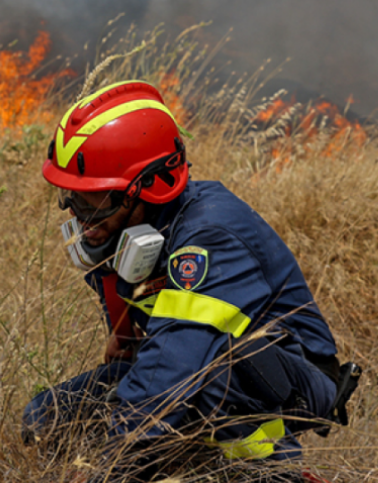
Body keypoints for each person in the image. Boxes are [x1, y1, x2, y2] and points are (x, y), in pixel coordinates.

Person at [23, 80, 358, 481]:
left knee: (213, 375)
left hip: (285, 379)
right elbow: (144, 350)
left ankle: (274, 474)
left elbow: (170, 367)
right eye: (71, 196)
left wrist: (112, 468)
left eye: (93, 199)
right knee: (44, 418)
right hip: (197, 361)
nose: (77, 213)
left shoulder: (209, 236)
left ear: (146, 188)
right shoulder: (129, 231)